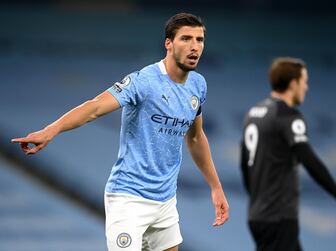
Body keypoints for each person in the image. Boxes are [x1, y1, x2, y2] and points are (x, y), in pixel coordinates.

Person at [11, 13, 229, 251]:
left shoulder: (198, 85)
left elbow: (196, 137)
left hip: (165, 201)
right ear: (169, 43)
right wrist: (51, 130)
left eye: (199, 40)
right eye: (186, 39)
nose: (194, 46)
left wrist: (216, 187)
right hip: (129, 199)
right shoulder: (144, 81)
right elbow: (94, 107)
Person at [240, 57, 336, 251]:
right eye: (304, 82)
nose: (306, 88)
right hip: (279, 216)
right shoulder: (288, 116)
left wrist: (258, 199)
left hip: (258, 214)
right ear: (293, 84)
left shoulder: (254, 113)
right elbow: (309, 159)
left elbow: (244, 164)